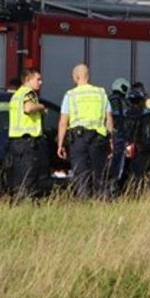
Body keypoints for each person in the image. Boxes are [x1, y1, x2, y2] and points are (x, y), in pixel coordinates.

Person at [57, 64, 114, 198]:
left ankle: (84, 202)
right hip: (98, 139)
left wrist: (60, 144)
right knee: (99, 174)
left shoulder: (70, 95)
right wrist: (110, 140)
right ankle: (101, 202)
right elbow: (109, 119)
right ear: (88, 76)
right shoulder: (101, 93)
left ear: (76, 77)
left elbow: (63, 122)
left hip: (78, 139)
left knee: (80, 174)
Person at [7, 69, 48, 198]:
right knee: (30, 176)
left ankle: (18, 202)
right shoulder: (28, 93)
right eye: (38, 79)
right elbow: (28, 108)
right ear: (28, 80)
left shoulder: (16, 95)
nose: (40, 82)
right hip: (28, 142)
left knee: (18, 177)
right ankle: (27, 203)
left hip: (16, 142)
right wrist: (42, 107)